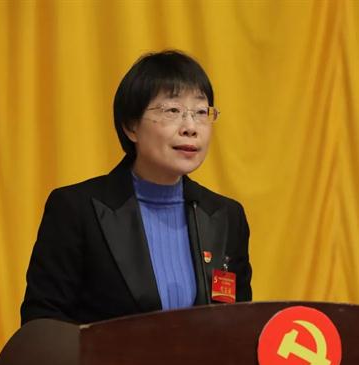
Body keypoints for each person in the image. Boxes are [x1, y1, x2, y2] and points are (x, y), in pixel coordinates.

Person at [20, 50, 252, 325]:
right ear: (131, 126)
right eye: (173, 111)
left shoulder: (226, 216)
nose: (190, 127)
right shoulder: (77, 210)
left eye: (201, 112)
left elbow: (239, 326)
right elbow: (44, 325)